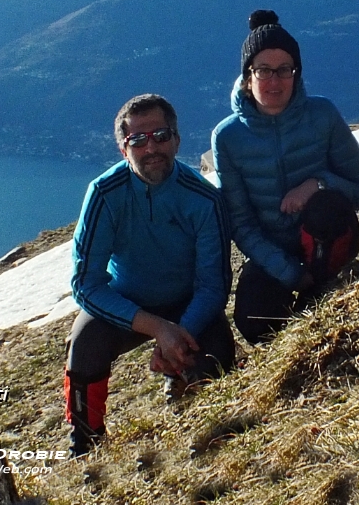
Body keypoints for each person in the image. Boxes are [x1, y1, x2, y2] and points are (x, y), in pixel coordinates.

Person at [65, 94, 234, 456]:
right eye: (138, 140)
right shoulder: (104, 194)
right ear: (123, 149)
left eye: (160, 135)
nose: (151, 147)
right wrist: (158, 328)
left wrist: (180, 331)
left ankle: (189, 402)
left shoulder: (203, 199)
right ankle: (85, 444)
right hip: (128, 301)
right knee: (85, 344)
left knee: (218, 360)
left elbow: (213, 285)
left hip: (188, 303)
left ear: (176, 139)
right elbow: (85, 284)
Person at [212, 10, 359, 345]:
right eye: (263, 71)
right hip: (274, 251)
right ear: (247, 77)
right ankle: (306, 301)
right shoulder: (227, 138)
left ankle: (321, 289)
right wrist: (287, 271)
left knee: (324, 206)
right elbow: (241, 223)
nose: (275, 81)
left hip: (329, 237)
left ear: (297, 74)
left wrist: (317, 184)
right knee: (254, 322)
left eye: (284, 70)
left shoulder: (323, 115)